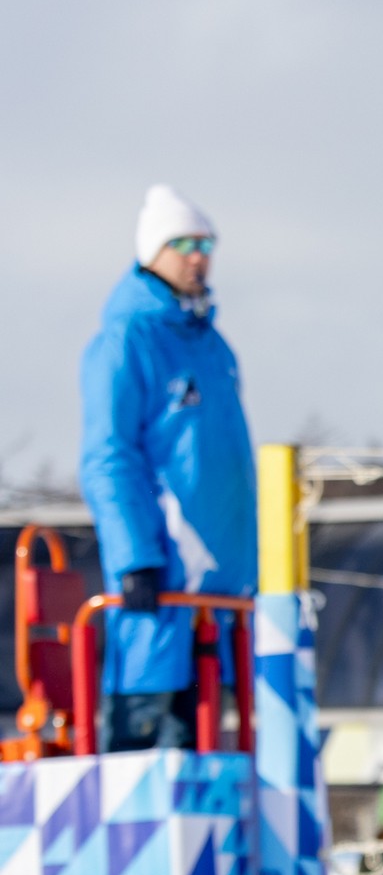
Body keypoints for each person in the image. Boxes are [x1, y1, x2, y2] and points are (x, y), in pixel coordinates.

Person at [79, 186, 257, 751]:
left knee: (214, 748)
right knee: (152, 740)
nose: (198, 255)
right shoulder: (126, 340)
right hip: (162, 581)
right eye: (183, 243)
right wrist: (136, 558)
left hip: (220, 586)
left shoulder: (213, 345)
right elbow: (108, 456)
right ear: (152, 251)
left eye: (206, 243)